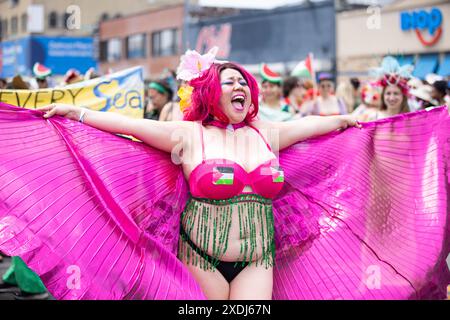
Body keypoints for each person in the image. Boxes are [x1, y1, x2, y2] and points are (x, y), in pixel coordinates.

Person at [0, 49, 448, 300]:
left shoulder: (267, 133)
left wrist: (354, 123)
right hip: (201, 256)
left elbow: (329, 125)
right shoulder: (186, 135)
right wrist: (75, 112)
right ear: (212, 92)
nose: (240, 88)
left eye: (243, 84)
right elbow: (126, 126)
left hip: (258, 259)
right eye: (230, 82)